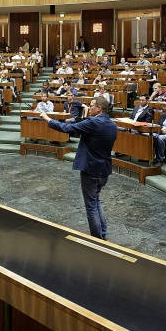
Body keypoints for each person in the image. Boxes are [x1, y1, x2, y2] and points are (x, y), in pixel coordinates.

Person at [40, 97, 117, 240]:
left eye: (91, 105)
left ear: (99, 108)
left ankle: (97, 239)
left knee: (91, 206)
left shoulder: (93, 122)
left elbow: (66, 128)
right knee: (96, 200)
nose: (89, 107)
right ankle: (103, 234)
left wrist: (47, 119)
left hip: (90, 169)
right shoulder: (112, 125)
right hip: (104, 170)